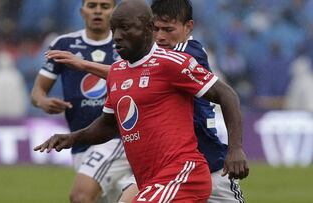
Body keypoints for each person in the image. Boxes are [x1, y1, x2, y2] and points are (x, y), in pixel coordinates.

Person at [35, 0, 249, 202]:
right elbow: (109, 125)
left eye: (168, 29)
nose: (161, 36)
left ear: (188, 27)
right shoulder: (121, 71)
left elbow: (226, 94)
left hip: (196, 168)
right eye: (157, 29)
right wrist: (71, 138)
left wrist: (236, 149)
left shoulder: (182, 55)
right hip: (153, 175)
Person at [31, 0, 132, 202]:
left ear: (114, 11)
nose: (97, 11)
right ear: (82, 11)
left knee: (80, 195)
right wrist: (43, 102)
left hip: (114, 137)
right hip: (79, 142)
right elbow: (37, 91)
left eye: (105, 6)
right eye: (92, 5)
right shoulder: (64, 45)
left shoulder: (126, 44)